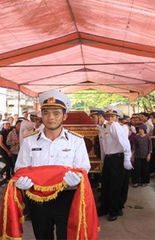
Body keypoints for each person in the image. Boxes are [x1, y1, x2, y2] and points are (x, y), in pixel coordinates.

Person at [12, 90, 97, 239]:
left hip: (67, 196)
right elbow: (21, 167)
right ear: (41, 116)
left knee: (67, 236)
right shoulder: (29, 140)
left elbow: (83, 167)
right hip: (38, 198)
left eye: (56, 113)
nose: (51, 117)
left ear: (64, 116)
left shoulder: (75, 140)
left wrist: (78, 177)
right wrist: (22, 180)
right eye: (46, 113)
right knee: (42, 236)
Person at [98, 106, 133, 221]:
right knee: (106, 183)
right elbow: (104, 146)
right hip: (109, 158)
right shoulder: (103, 128)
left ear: (117, 118)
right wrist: (103, 159)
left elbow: (125, 142)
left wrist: (127, 158)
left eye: (112, 116)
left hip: (118, 158)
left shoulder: (116, 126)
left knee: (116, 185)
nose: (110, 118)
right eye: (107, 116)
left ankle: (114, 210)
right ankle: (105, 207)